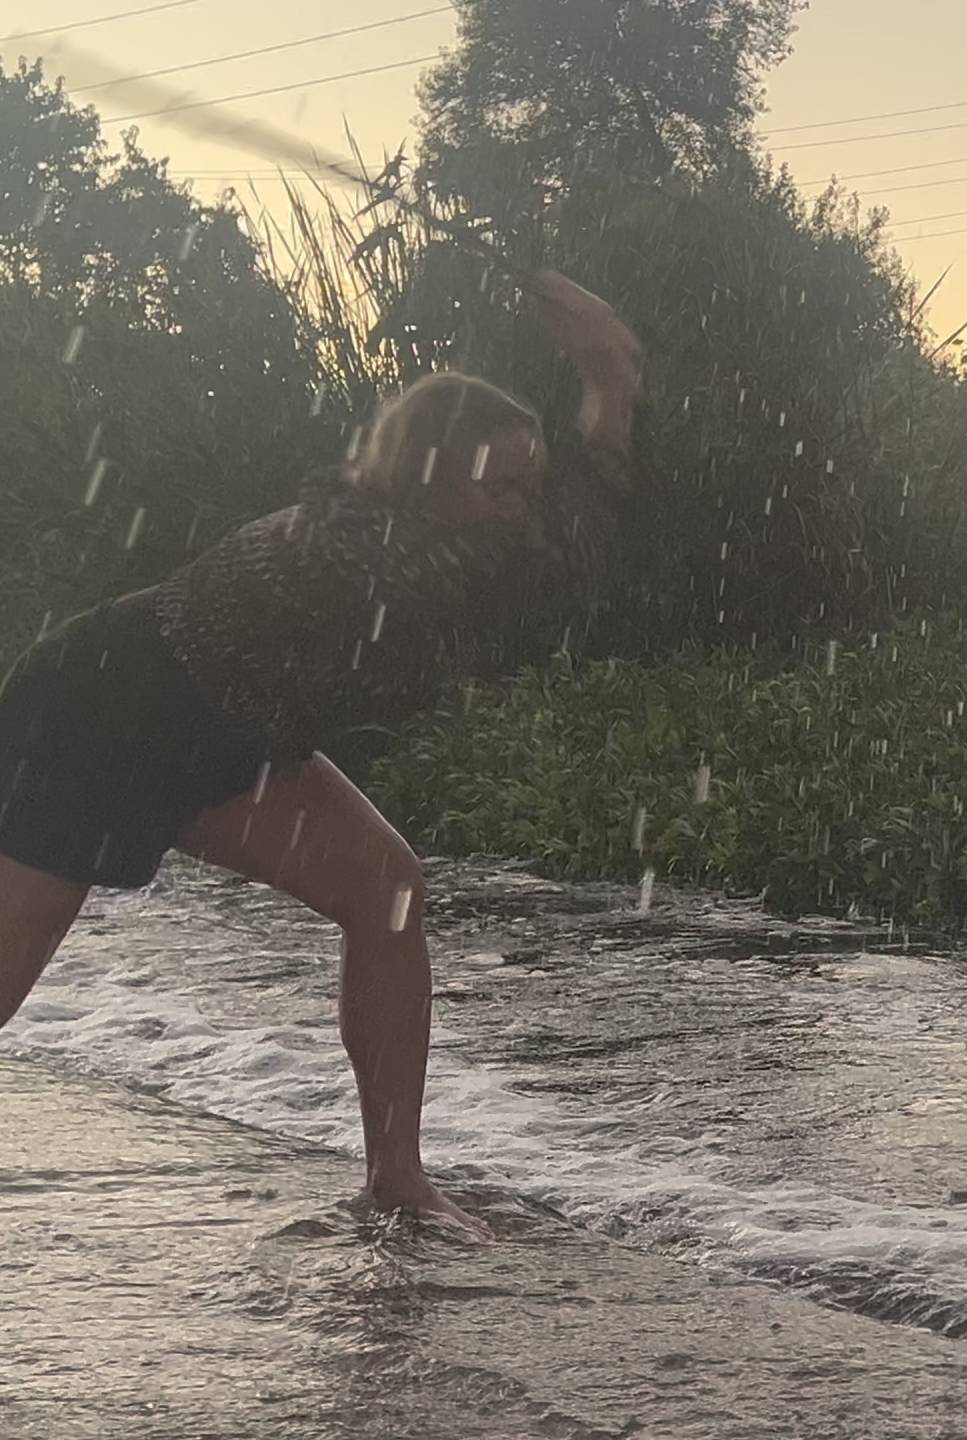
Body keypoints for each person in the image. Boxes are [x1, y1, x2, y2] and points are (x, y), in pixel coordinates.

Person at [0, 270, 645, 1230]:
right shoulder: (383, 550)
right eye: (501, 486)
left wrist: (605, 384)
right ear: (430, 480)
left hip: (224, 734)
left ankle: (397, 1178)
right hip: (100, 710)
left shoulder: (429, 530)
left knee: (386, 892)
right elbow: (570, 556)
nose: (523, 505)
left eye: (531, 483)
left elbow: (562, 541)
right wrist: (609, 381)